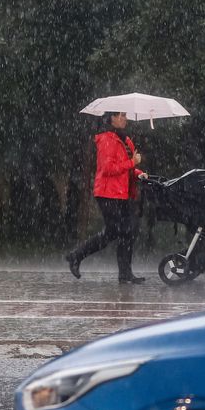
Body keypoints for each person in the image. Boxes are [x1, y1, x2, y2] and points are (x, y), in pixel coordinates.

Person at [66, 111, 149, 283]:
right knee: (116, 231)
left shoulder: (126, 141)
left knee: (128, 232)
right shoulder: (106, 139)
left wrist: (139, 173)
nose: (125, 118)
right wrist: (133, 163)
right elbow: (108, 169)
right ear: (111, 118)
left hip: (123, 193)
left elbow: (127, 170)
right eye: (121, 115)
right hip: (107, 193)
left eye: (125, 115)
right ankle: (76, 256)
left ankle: (125, 273)